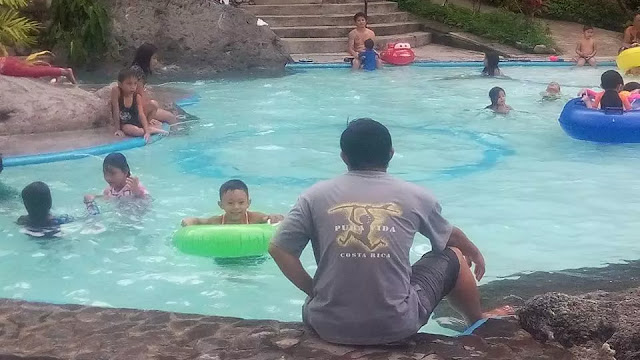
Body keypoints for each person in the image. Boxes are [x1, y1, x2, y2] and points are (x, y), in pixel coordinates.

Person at [269, 119, 511, 346]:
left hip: (327, 325)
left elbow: (279, 249)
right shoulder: (415, 196)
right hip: (396, 324)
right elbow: (451, 237)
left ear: (343, 157)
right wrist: (475, 252)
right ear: (391, 154)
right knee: (454, 254)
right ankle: (477, 320)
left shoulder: (314, 196)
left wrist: (313, 290)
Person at [181, 179, 284, 226]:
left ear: (248, 203)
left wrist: (273, 217)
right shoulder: (217, 221)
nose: (236, 207)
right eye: (230, 203)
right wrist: (189, 221)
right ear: (221, 205)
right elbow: (199, 221)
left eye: (241, 202)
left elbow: (269, 219)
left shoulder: (254, 218)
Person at [111, 67, 166, 141]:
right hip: (125, 124)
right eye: (129, 84)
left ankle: (148, 128)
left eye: (135, 83)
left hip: (136, 120)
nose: (133, 87)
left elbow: (141, 114)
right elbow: (115, 110)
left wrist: (146, 131)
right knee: (135, 131)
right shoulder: (117, 91)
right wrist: (117, 129)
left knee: (154, 104)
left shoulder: (136, 96)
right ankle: (152, 130)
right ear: (120, 84)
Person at [84, 153, 149, 207]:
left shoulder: (134, 186)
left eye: (112, 174)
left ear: (125, 172)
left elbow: (147, 203)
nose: (108, 178)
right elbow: (108, 198)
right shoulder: (110, 189)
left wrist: (137, 193)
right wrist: (94, 197)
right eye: (105, 173)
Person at [0, 54, 76, 84]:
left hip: (5, 66)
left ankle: (64, 72)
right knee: (32, 70)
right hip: (5, 63)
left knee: (32, 71)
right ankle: (59, 72)